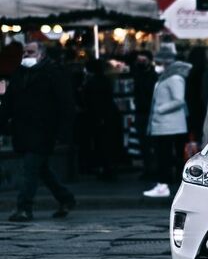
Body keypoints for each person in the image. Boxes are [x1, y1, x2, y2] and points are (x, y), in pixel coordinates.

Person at [0, 42, 75, 221]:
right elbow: (9, 102)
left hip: (44, 130)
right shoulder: (20, 73)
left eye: (30, 51)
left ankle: (24, 207)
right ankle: (66, 198)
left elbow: (65, 104)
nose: (26, 54)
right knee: (40, 169)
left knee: (30, 168)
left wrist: (63, 132)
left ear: (41, 54)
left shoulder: (53, 73)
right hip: (23, 130)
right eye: (25, 52)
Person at [143, 44, 191, 198]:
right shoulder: (167, 77)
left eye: (158, 63)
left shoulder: (175, 78)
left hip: (169, 125)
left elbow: (179, 100)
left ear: (165, 63)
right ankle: (165, 184)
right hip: (165, 124)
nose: (155, 66)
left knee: (165, 156)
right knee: (165, 156)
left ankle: (164, 185)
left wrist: (160, 109)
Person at [81, 58, 121, 181]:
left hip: (99, 117)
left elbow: (93, 101)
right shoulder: (105, 80)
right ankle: (109, 168)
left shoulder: (92, 82)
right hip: (107, 116)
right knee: (107, 144)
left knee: (102, 144)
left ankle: (106, 169)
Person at [132, 50, 158, 180]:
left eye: (143, 60)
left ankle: (151, 169)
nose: (141, 62)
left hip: (148, 112)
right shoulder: (139, 74)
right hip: (141, 111)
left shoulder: (153, 76)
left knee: (149, 143)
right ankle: (148, 168)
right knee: (144, 143)